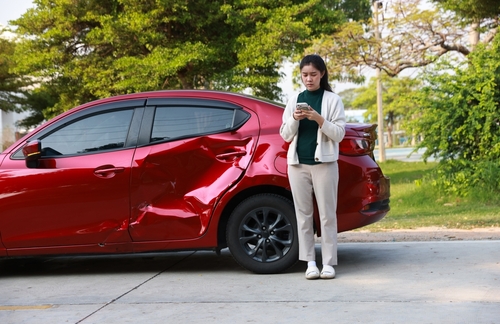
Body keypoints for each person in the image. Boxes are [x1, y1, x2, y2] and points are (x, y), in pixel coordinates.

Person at [280, 54, 346, 280]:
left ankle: (328, 263)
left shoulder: (332, 100)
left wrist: (319, 118)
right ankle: (309, 262)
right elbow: (285, 135)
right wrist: (295, 118)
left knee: (327, 215)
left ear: (322, 74)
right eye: (305, 75)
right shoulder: (294, 99)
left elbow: (339, 134)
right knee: (303, 215)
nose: (309, 79)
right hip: (297, 165)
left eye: (313, 75)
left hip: (325, 165)